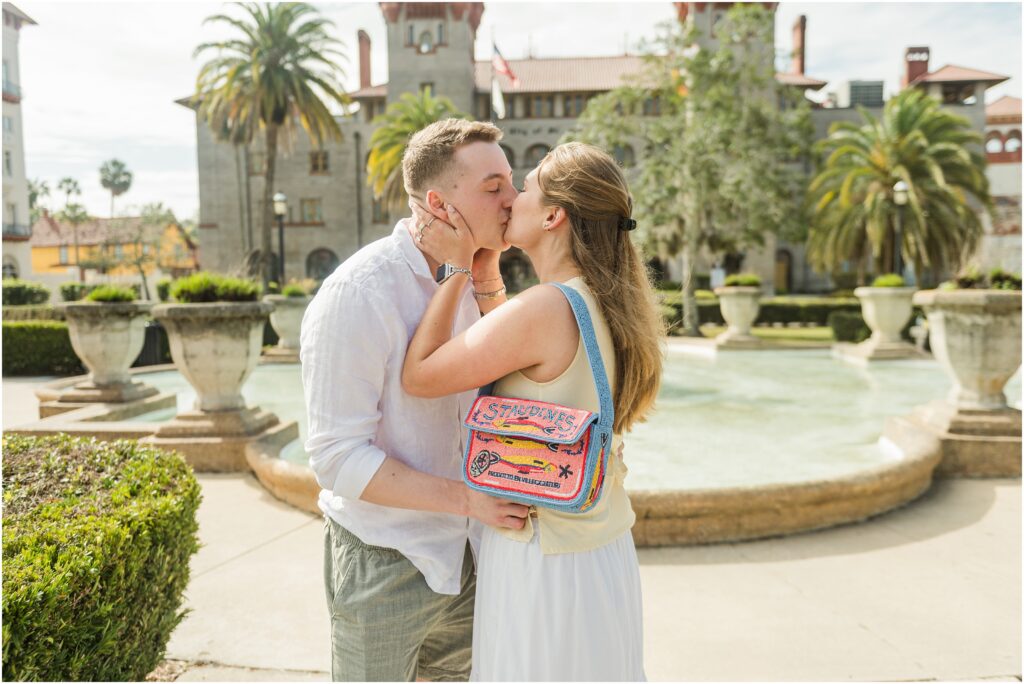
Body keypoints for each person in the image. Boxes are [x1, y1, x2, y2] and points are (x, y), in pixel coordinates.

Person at [402, 142, 665, 681]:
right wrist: (489, 273)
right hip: (596, 550)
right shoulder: (596, 299)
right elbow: (519, 363)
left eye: (524, 187)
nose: (510, 199)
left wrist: (455, 268)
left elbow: (420, 376)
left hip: (545, 562)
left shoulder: (545, 307)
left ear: (553, 215)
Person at [300, 118, 531, 682]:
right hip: (385, 560)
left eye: (511, 182)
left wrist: (483, 275)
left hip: (471, 557)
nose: (513, 199)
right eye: (493, 187)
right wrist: (471, 501)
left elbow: (508, 385)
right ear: (438, 203)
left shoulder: (472, 276)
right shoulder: (358, 293)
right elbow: (335, 458)